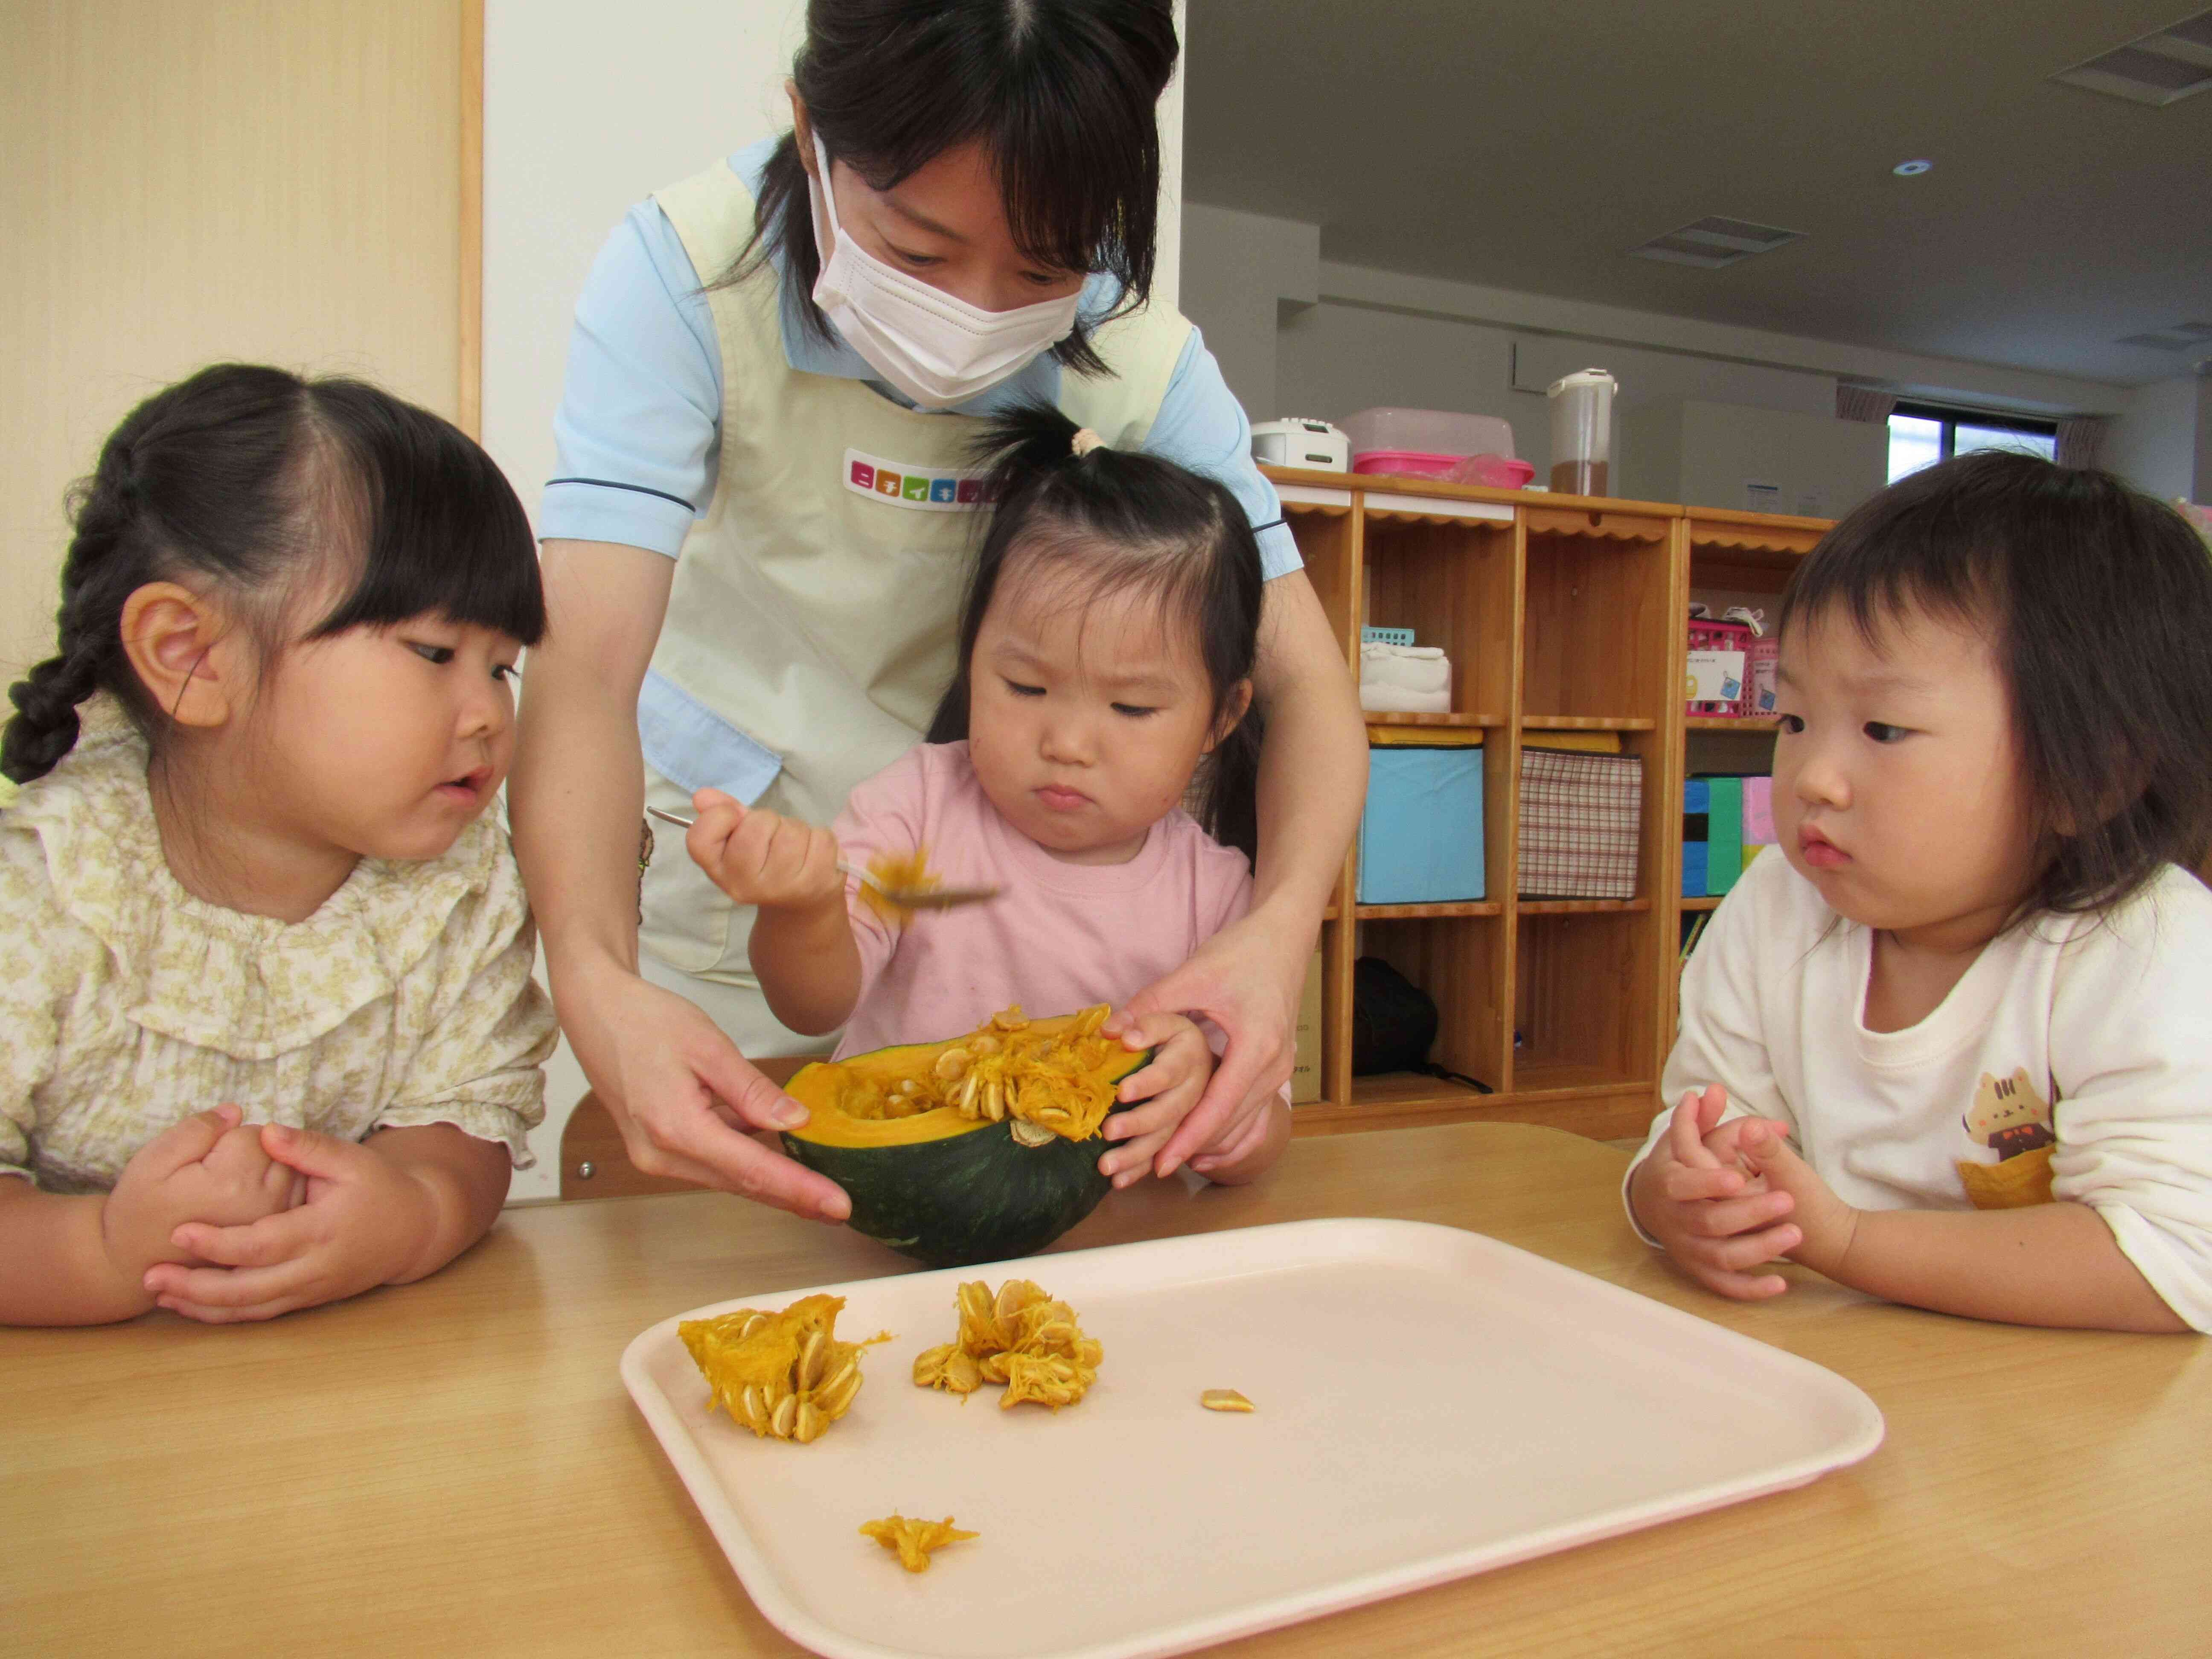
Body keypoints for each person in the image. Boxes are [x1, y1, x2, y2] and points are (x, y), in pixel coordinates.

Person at [509, 0, 1363, 1222]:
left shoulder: (1138, 357)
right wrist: (594, 980)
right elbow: (582, 671)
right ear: (810, 131)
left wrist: (1277, 941)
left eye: (1042, 270)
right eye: (917, 254)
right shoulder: (687, 280)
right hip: (755, 895)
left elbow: (1309, 689)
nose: (975, 310)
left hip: (1009, 887)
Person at [0, 364, 557, 1327]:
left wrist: (414, 1213)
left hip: (341, 1404)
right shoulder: (45, 885)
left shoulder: (458, 885)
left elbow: (462, 1123)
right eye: (434, 653)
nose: (487, 717)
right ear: (193, 655)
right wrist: (103, 1253)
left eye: (503, 667)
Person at [1627, 451, 2212, 1333]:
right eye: (1793, 720)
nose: (1814, 778)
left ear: (2090, 777)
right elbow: (1702, 1126)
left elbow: (2172, 1258)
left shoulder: (2145, 946)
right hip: (1850, 1366)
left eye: (1884, 728)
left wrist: (1852, 1243)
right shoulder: (1779, 905)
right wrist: (1673, 1200)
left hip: (2082, 1419)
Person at [681, 407, 1293, 1188]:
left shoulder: (1219, 898)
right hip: (901, 1228)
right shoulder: (919, 812)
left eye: (1131, 709)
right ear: (973, 661)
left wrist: (1213, 1103)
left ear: (1222, 717)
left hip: (1125, 1259)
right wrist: (799, 909)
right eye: (1026, 686)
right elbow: (812, 1006)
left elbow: (1267, 1130)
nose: (1068, 743)